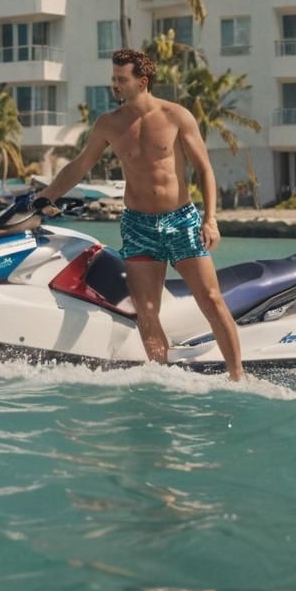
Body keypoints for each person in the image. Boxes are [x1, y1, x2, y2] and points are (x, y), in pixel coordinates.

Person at [35, 48, 244, 381]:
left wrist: (210, 218)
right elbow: (80, 167)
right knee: (147, 311)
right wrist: (43, 197)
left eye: (122, 79)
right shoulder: (109, 124)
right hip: (138, 226)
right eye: (113, 78)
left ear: (142, 81)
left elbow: (205, 169)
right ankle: (164, 377)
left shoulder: (177, 116)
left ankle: (238, 376)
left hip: (181, 220)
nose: (115, 85)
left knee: (211, 299)